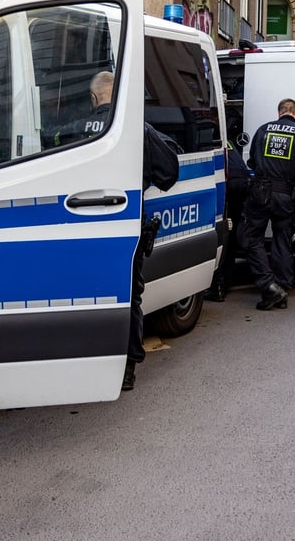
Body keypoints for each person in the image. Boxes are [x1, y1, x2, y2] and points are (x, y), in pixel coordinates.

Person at [239, 98, 295, 311]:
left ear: (279, 113)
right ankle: (281, 287)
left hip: (260, 193)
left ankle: (269, 286)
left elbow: (252, 163)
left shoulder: (263, 130)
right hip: (286, 196)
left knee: (249, 238)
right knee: (282, 238)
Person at [123, 120, 180, 391]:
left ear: (93, 98)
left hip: (82, 226)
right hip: (128, 222)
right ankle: (128, 368)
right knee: (130, 296)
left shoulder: (76, 124)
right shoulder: (139, 129)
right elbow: (168, 173)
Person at [206, 132, 249, 302]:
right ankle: (226, 281)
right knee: (230, 231)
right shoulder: (225, 138)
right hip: (242, 181)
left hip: (229, 182)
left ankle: (218, 286)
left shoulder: (210, 138)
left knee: (221, 232)